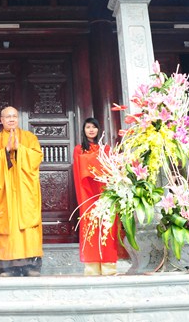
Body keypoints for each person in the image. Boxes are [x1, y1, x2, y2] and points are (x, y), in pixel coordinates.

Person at [0, 106, 43, 277]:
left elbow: (37, 158)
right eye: (7, 117)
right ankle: (7, 267)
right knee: (8, 225)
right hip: (5, 190)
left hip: (25, 190)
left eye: (14, 116)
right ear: (1, 120)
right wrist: (5, 150)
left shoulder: (30, 137)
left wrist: (20, 149)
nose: (11, 119)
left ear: (18, 119)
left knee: (28, 225)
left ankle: (31, 266)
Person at [72, 118, 123, 276]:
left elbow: (112, 169)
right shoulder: (79, 149)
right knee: (90, 228)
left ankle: (109, 267)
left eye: (94, 127)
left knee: (107, 227)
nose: (91, 130)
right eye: (88, 127)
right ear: (84, 130)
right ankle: (92, 268)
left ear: (98, 129)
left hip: (104, 194)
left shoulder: (105, 149)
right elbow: (79, 172)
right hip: (87, 195)